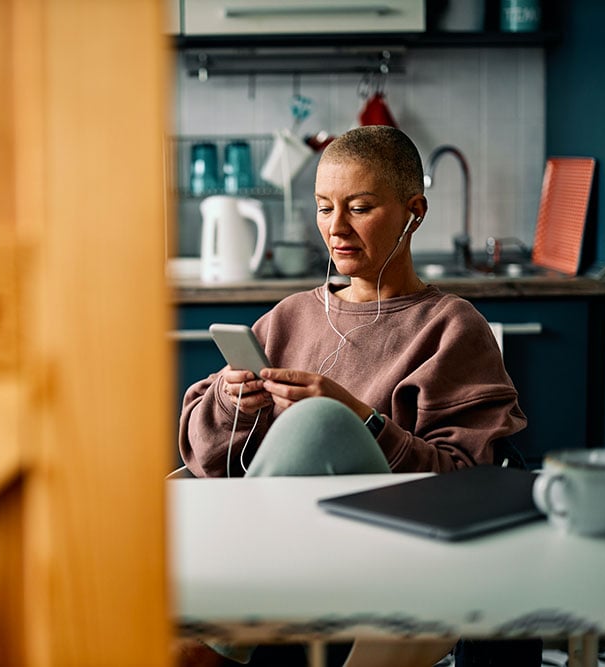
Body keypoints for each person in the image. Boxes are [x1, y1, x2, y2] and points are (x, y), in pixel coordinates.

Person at [176, 126, 527, 667]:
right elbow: (198, 462)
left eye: (359, 208)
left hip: (394, 566)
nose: (335, 229)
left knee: (320, 424)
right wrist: (230, 403)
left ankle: (219, 640)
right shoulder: (290, 316)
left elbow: (471, 484)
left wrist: (359, 419)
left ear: (414, 211)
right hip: (287, 562)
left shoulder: (451, 328)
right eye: (323, 208)